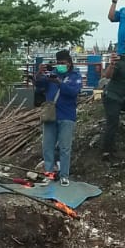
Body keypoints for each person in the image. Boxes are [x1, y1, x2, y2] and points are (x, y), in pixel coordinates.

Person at [35, 50, 82, 187]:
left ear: (69, 62)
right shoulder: (52, 74)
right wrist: (39, 73)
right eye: (58, 63)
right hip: (51, 115)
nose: (60, 65)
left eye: (63, 63)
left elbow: (73, 92)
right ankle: (48, 174)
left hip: (67, 115)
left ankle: (64, 175)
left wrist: (59, 82)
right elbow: (38, 86)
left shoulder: (75, 75)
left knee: (65, 147)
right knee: (47, 146)